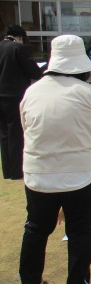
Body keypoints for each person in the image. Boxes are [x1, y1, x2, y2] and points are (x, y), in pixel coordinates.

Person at [19, 34, 91, 284]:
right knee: (79, 230)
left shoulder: (32, 91)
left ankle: (30, 283)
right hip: (81, 175)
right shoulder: (89, 93)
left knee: (36, 228)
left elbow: (27, 129)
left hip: (38, 173)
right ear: (81, 64)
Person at [0, 25, 43, 180]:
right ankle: (17, 170)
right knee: (16, 133)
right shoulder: (18, 48)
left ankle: (7, 170)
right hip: (14, 95)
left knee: (4, 133)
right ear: (20, 37)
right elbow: (34, 72)